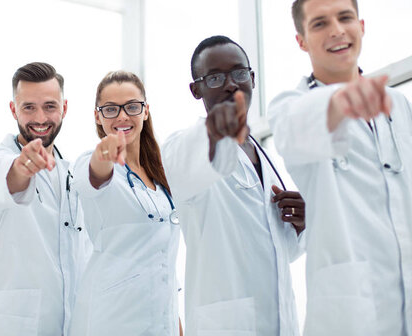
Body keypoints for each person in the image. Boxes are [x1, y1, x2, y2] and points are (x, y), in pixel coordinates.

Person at [268, 0, 412, 334]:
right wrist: (340, 102)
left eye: (345, 17)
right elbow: (294, 131)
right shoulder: (293, 105)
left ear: (361, 27)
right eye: (319, 23)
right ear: (301, 40)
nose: (336, 30)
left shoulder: (399, 104)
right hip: (351, 310)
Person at [162, 36, 306, 336]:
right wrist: (215, 133)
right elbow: (181, 167)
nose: (231, 84)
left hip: (281, 321)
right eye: (214, 78)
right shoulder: (186, 146)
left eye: (239, 73)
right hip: (226, 325)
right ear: (196, 89)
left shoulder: (263, 154)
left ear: (252, 79)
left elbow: (278, 253)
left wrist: (302, 226)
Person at [0, 62, 90, 336]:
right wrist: (21, 168)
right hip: (15, 325)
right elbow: (7, 177)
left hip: (71, 323)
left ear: (64, 108)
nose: (40, 118)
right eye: (29, 107)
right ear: (14, 109)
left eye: (50, 106)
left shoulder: (72, 173)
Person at [68, 70, 181, 335]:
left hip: (160, 319)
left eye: (131, 106)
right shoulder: (90, 161)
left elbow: (164, 263)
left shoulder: (162, 177)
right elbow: (93, 177)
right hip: (111, 320)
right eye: (110, 109)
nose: (122, 116)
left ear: (145, 111)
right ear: (97, 115)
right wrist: (103, 155)